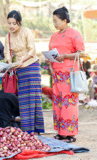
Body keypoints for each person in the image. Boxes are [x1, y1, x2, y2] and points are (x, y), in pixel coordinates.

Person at [46, 7, 85, 143]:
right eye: (53, 21)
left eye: (56, 21)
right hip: (56, 74)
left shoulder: (74, 34)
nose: (54, 24)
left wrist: (65, 56)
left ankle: (70, 134)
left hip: (69, 75)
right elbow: (52, 51)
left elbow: (81, 53)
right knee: (57, 103)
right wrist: (48, 58)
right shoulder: (54, 35)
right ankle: (61, 132)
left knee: (68, 103)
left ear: (65, 20)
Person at [4, 10, 44, 134]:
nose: (11, 26)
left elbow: (32, 50)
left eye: (14, 23)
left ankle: (37, 129)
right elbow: (7, 52)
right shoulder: (8, 36)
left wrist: (23, 60)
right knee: (23, 99)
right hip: (19, 69)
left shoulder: (26, 32)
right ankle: (27, 129)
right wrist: (10, 63)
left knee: (34, 97)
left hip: (31, 66)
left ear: (19, 22)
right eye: (9, 23)